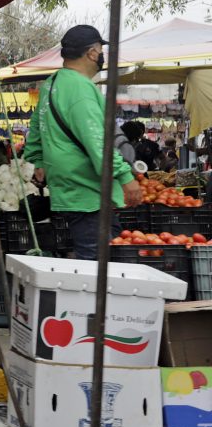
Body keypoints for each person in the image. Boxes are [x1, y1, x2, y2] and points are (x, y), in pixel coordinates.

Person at [23, 25, 143, 260]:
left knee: (106, 255)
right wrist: (125, 177)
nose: (101, 56)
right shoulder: (81, 88)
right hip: (87, 192)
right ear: (91, 53)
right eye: (100, 50)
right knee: (97, 265)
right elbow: (98, 142)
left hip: (71, 190)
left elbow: (35, 131)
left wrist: (38, 161)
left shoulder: (51, 84)